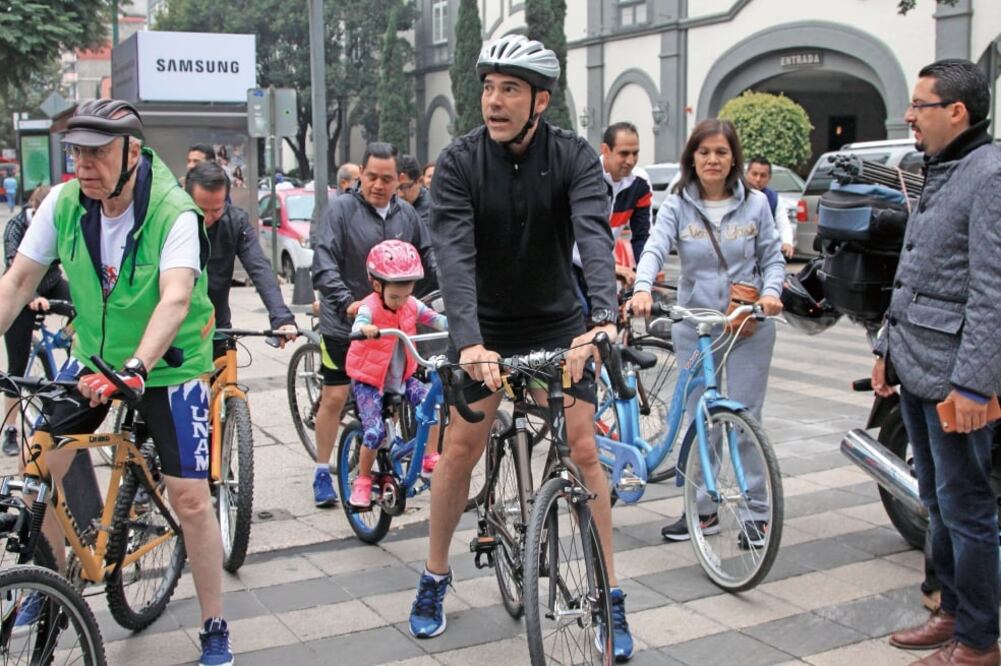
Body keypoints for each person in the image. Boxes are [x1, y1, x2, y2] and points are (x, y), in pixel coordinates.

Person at [412, 34, 634, 660]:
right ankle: (434, 574)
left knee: (585, 449)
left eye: (510, 89)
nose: (494, 100)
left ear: (540, 100)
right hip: (486, 325)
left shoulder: (574, 158)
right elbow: (453, 258)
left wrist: (601, 321)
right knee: (460, 446)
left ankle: (611, 596)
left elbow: (594, 238)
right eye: (488, 87)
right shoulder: (458, 163)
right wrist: (469, 342)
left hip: (562, 323)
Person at [0, 100, 234, 666]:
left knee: (190, 499)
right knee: (40, 465)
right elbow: (16, 283)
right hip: (95, 356)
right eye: (76, 150)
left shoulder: (173, 210)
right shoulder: (61, 204)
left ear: (132, 152)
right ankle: (47, 587)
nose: (83, 163)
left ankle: (215, 626)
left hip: (169, 363)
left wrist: (139, 368)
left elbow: (176, 298)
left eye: (97, 151)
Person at [873, 59, 1001, 666]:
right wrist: (886, 352)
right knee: (937, 498)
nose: (909, 116)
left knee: (968, 507)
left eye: (919, 105)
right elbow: (917, 269)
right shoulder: (945, 167)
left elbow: (992, 291)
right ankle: (949, 610)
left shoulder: (991, 174)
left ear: (957, 111)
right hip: (918, 365)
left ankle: (978, 641)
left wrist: (976, 385)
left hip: (957, 379)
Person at [628, 118, 785, 545]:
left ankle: (757, 512)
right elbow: (656, 247)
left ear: (733, 157)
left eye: (720, 152)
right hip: (695, 328)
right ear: (692, 158)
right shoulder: (678, 203)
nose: (712, 160)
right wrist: (642, 287)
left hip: (746, 324)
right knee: (701, 421)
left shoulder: (755, 204)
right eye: (704, 152)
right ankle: (702, 510)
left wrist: (770, 294)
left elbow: (773, 259)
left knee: (745, 418)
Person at [311, 142, 437, 509]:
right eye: (371, 177)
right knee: (335, 396)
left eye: (386, 178)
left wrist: (447, 295)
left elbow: (428, 255)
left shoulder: (407, 215)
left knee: (397, 393)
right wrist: (346, 303)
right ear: (360, 175)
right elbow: (324, 262)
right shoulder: (341, 211)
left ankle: (385, 461)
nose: (378, 185)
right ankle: (322, 469)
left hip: (394, 327)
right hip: (348, 325)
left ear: (398, 180)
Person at [346, 240, 447, 507]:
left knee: (432, 403)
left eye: (406, 295)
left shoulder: (410, 304)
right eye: (395, 297)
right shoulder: (370, 306)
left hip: (402, 377)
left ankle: (429, 458)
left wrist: (458, 323)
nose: (401, 302)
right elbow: (361, 318)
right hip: (370, 381)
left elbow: (434, 318)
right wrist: (364, 328)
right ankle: (363, 480)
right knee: (374, 432)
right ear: (377, 286)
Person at [184, 160, 297, 357]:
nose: (208, 218)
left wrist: (281, 318)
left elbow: (259, 268)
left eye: (216, 210)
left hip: (219, 330)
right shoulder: (174, 222)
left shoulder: (236, 222)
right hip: (178, 335)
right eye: (201, 210)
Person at [1, 185, 70, 456]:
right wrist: (34, 295)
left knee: (84, 310)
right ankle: (10, 430)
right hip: (23, 288)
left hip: (51, 282)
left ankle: (69, 344)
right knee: (16, 367)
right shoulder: (17, 227)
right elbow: (16, 269)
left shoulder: (63, 221)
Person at [572, 122, 651, 305]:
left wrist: (644, 279)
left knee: (610, 315)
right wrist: (612, 267)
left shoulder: (640, 183)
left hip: (601, 264)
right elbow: (578, 237)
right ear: (605, 150)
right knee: (580, 316)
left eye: (635, 153)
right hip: (571, 261)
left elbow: (642, 237)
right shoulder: (584, 177)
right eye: (624, 153)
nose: (630, 160)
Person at [397, 155, 438, 297]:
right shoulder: (392, 206)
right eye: (396, 187)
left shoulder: (436, 208)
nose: (400, 194)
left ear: (420, 181)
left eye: (405, 187)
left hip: (429, 289)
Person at [745, 156, 795, 259]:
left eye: (763, 175)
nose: (758, 179)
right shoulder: (735, 195)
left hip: (763, 253)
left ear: (769, 178)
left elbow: (783, 224)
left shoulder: (774, 199)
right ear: (747, 174)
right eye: (754, 174)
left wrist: (787, 242)